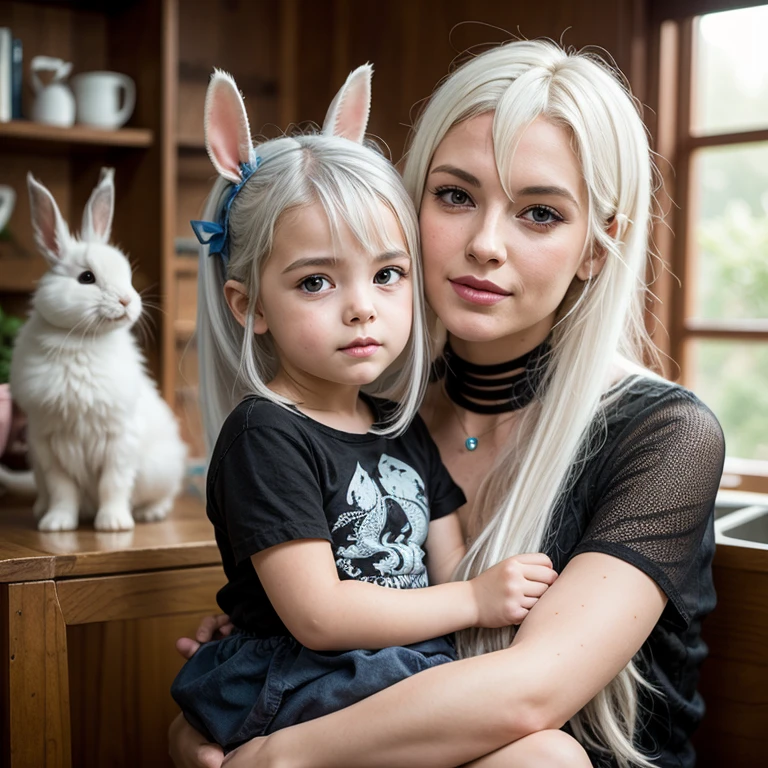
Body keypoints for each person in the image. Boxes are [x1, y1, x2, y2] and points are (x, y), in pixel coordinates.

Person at [170, 40, 725, 768]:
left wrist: (276, 757)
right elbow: (318, 627)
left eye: (540, 213)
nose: (485, 244)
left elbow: (529, 693)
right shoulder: (369, 418)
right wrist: (210, 719)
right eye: (456, 196)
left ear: (597, 247)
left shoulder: (668, 437)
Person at [170, 64, 561, 759]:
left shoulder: (399, 428)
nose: (362, 307)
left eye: (387, 274)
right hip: (309, 683)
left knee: (546, 753)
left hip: (400, 668)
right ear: (247, 305)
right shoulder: (265, 434)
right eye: (317, 281)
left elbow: (442, 566)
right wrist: (476, 601)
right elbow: (320, 616)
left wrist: (476, 598)